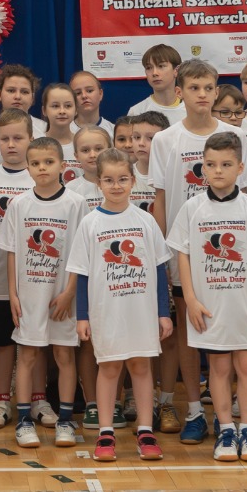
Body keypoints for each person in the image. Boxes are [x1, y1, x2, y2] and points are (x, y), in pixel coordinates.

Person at [149, 59, 247, 445]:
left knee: (232, 335)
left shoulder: (237, 136)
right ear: (179, 92)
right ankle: (196, 410)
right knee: (189, 333)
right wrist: (162, 256)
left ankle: (231, 413)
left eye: (208, 88)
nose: (201, 94)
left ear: (216, 90)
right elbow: (161, 200)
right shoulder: (166, 140)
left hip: (230, 261)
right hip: (185, 255)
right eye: (193, 88)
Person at [167, 132, 247, 463]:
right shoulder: (192, 208)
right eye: (211, 164)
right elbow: (183, 256)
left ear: (240, 168)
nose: (218, 170)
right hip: (210, 305)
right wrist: (190, 298)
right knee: (218, 366)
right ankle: (226, 429)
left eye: (226, 164)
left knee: (246, 365)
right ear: (202, 167)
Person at [67, 148, 172, 462]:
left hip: (141, 311)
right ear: (99, 182)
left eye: (122, 179)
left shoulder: (146, 220)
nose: (116, 186)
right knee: (110, 367)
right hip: (107, 311)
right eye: (109, 180)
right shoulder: (90, 223)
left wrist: (163, 313)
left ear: (133, 180)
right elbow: (82, 274)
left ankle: (145, 431)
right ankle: (105, 433)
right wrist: (82, 316)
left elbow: (159, 270)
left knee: (141, 367)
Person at [0, 136, 88, 448]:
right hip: (29, 296)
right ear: (27, 167)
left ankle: (65, 420)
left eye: (49, 162)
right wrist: (13, 294)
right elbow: (11, 251)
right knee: (28, 355)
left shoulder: (76, 203)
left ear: (62, 165)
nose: (42, 168)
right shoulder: (19, 204)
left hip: (62, 296)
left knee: (63, 354)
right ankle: (23, 421)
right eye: (35, 163)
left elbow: (82, 253)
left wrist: (70, 292)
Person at [0, 109, 35, 430]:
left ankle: (37, 399)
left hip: (36, 279)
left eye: (18, 138)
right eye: (5, 138)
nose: (11, 144)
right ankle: (1, 400)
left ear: (31, 139)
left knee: (34, 343)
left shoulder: (39, 176)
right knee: (0, 341)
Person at [126, 44, 184, 126]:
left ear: (176, 70)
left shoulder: (191, 109)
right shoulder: (136, 112)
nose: (154, 73)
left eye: (161, 66)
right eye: (149, 68)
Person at [0, 64, 46, 136]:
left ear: (33, 98)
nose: (18, 96)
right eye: (11, 91)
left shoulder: (45, 131)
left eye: (24, 92)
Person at [40, 83, 80, 158]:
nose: (62, 111)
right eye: (55, 106)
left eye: (68, 106)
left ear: (76, 110)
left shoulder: (83, 143)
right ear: (44, 110)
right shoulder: (35, 144)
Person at [69, 71, 110, 135]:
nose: (84, 96)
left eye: (89, 91)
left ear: (100, 94)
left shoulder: (113, 132)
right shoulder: (65, 131)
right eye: (78, 93)